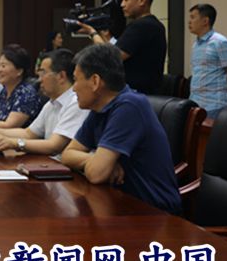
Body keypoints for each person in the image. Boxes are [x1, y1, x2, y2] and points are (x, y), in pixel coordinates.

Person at [61, 44, 181, 214]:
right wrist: (94, 159)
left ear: (95, 81)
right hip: (120, 203)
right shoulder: (99, 107)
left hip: (154, 214)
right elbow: (67, 154)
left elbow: (96, 174)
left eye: (76, 80)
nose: (73, 88)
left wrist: (99, 164)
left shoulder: (130, 106)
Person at [0, 49, 89, 156]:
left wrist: (15, 143)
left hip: (62, 168)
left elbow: (54, 146)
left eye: (43, 73)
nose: (39, 80)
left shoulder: (75, 103)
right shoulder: (51, 103)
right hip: (47, 163)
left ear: (61, 76)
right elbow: (28, 133)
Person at [77, 0, 166, 95]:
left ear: (142, 0)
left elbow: (111, 57)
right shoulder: (154, 25)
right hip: (145, 94)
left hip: (135, 95)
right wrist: (105, 37)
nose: (122, 4)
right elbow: (118, 50)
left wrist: (92, 33)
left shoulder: (141, 26)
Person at [188, 3, 227, 119]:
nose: (189, 21)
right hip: (196, 103)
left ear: (205, 21)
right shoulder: (196, 44)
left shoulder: (220, 42)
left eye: (193, 17)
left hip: (215, 105)